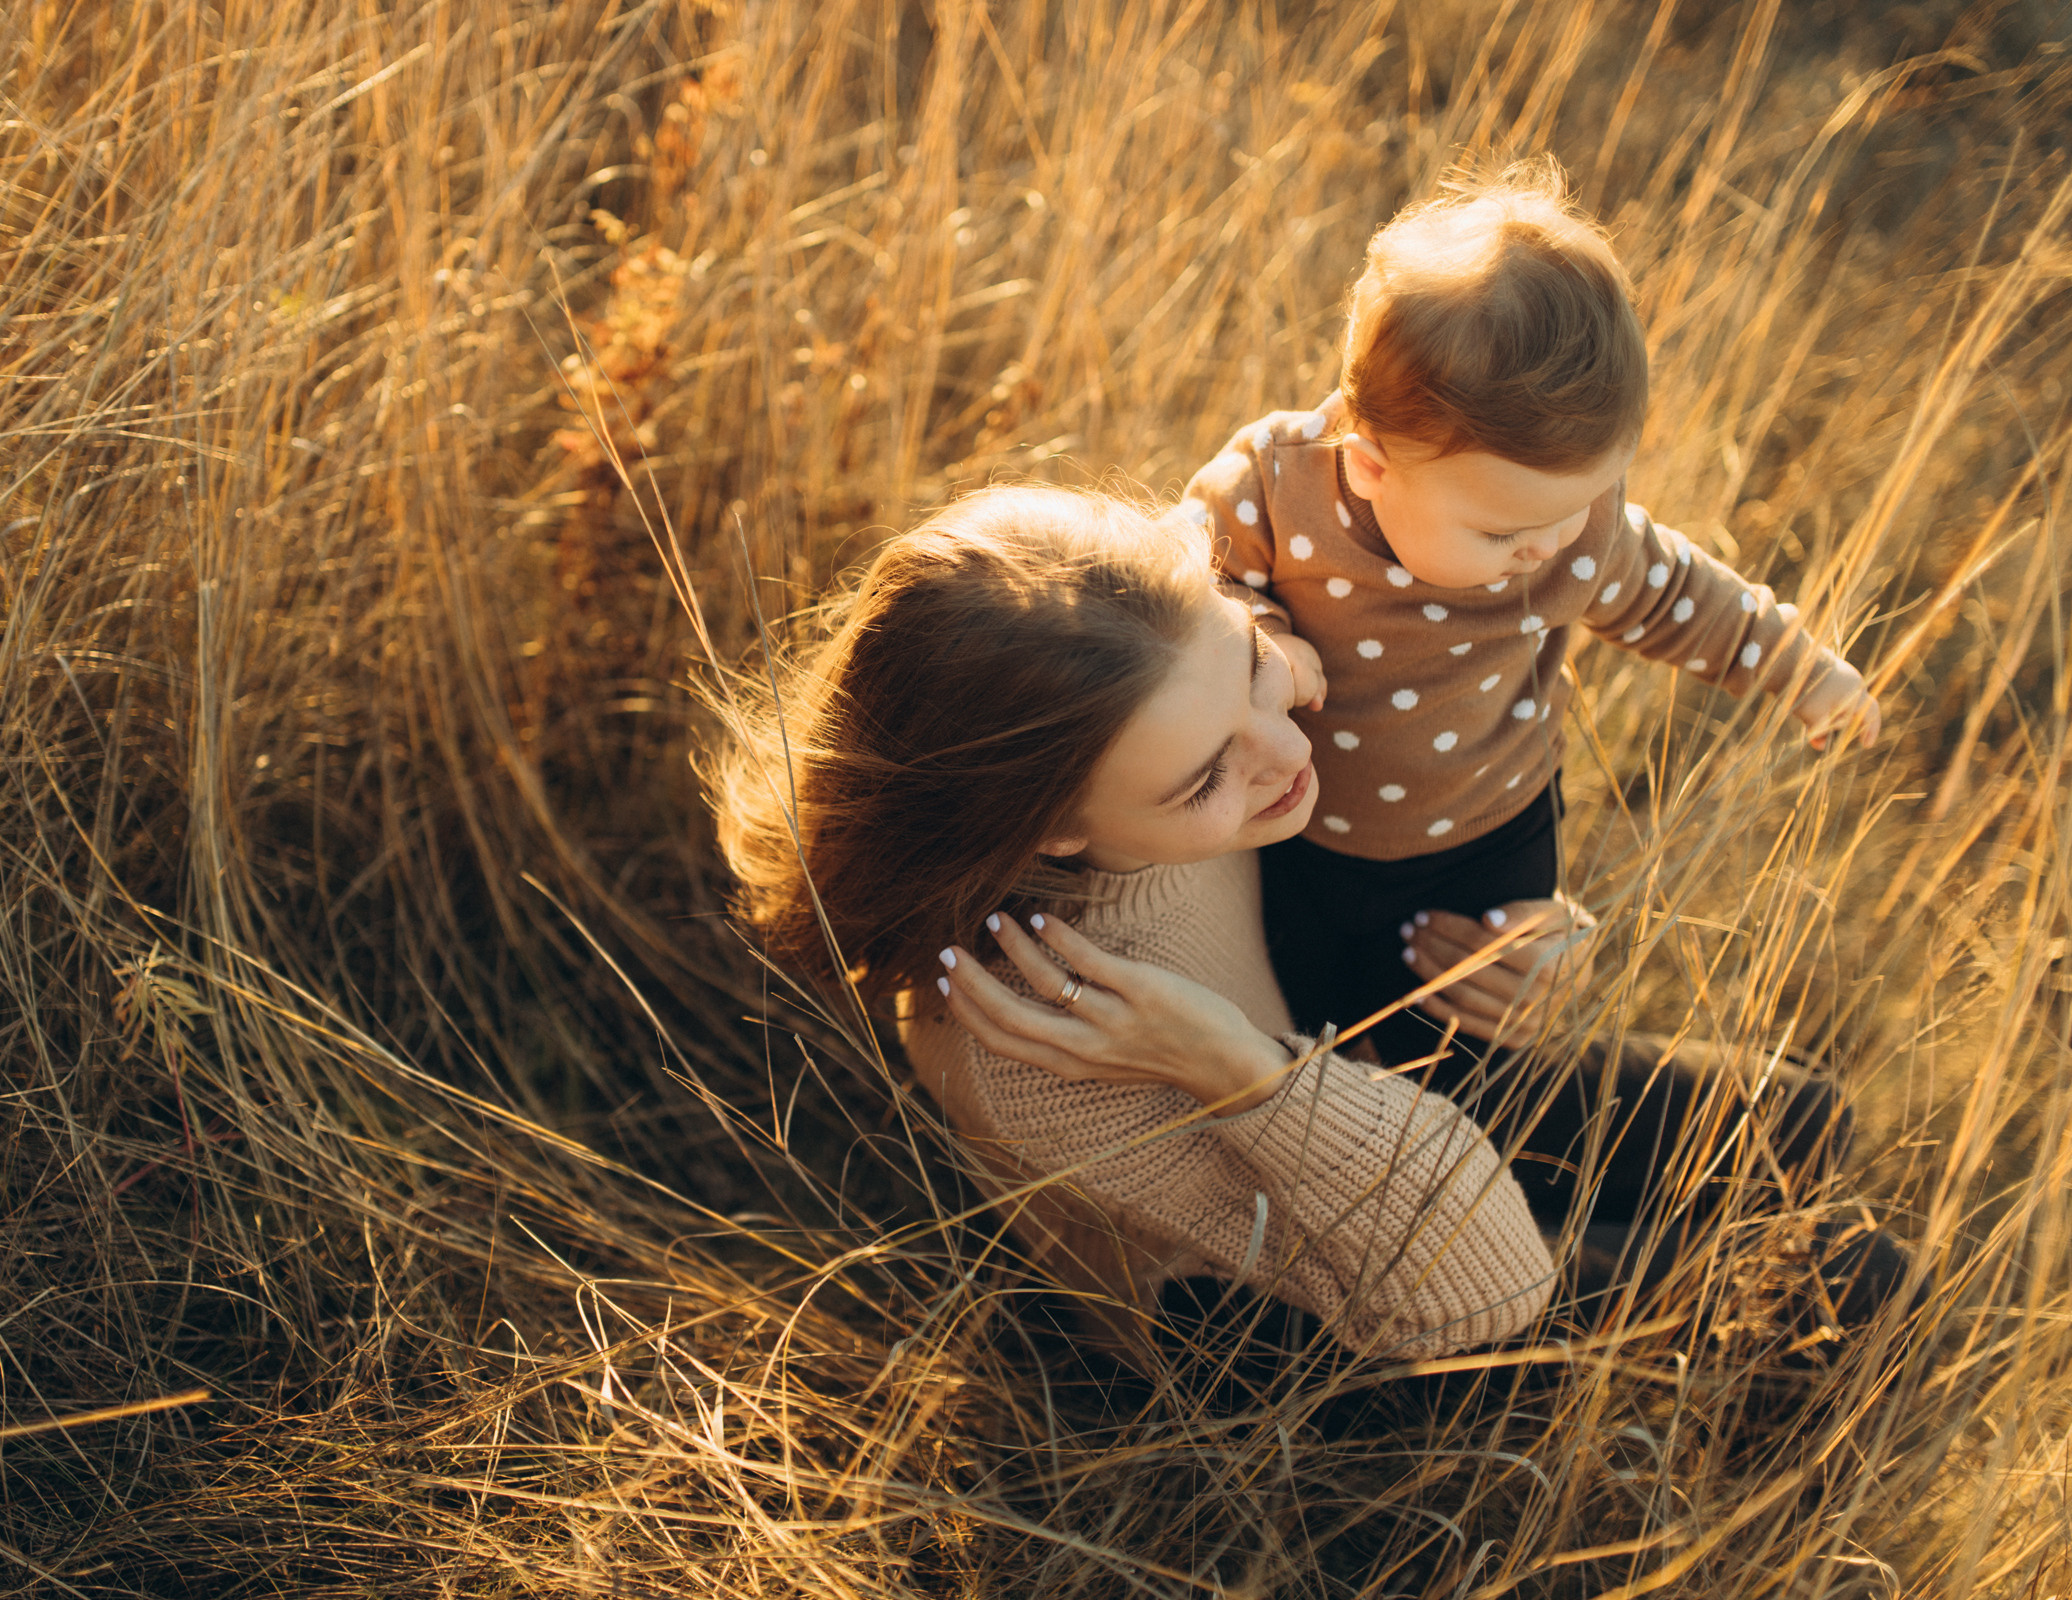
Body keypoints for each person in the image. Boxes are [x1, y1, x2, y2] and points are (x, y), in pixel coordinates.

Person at [706, 483, 1875, 1371]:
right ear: (1051, 831)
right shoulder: (1045, 1044)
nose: (1290, 753)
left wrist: (1514, 928)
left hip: (1351, 1081)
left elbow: (1378, 467)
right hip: (1325, 1315)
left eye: (1258, 669)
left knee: (1807, 1120)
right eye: (1209, 774)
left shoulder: (1166, 702)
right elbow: (1484, 1288)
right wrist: (1235, 1069)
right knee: (1852, 1283)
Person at [1178, 159, 1880, 1083]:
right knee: (1312, 1021)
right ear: (1373, 461)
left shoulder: (1570, 530)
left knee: (1476, 1033)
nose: (1548, 549)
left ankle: (1483, 1127)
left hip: (1491, 831)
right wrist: (1258, 634)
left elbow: (1679, 596)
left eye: (1583, 506)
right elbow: (1190, 584)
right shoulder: (1278, 484)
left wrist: (1798, 666)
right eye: (1506, 528)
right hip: (1300, 831)